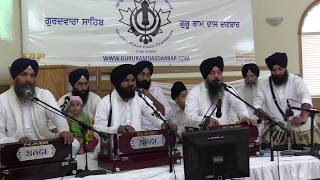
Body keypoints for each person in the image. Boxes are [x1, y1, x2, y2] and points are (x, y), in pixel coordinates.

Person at [0, 58, 79, 154]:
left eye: (32, 75)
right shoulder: (3, 100)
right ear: (15, 77)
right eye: (24, 74)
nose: (28, 79)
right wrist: (14, 142)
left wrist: (64, 131)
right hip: (15, 147)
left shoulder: (43, 94)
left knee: (74, 144)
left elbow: (57, 115)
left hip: (44, 143)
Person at [253, 52, 319, 146]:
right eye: (274, 70)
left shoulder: (296, 81)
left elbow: (305, 97)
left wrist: (303, 116)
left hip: (298, 125)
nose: (277, 73)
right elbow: (256, 105)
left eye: (280, 69)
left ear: (285, 68)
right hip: (275, 128)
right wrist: (266, 118)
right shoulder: (263, 84)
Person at [94, 64, 174, 134]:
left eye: (133, 80)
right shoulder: (105, 102)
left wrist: (163, 124)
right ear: (117, 83)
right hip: (114, 148)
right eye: (127, 80)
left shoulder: (140, 98)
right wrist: (116, 130)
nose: (131, 83)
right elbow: (97, 130)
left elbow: (153, 114)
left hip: (137, 146)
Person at [184, 56, 255, 128]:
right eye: (212, 73)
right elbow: (189, 118)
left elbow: (238, 103)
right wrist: (206, 120)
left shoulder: (227, 89)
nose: (216, 76)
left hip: (226, 134)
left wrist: (244, 116)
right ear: (205, 76)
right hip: (203, 136)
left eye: (219, 72)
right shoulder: (194, 93)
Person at [134, 61, 172, 130]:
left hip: (155, 131)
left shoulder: (157, 90)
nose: (145, 78)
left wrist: (150, 97)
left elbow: (167, 114)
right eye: (142, 74)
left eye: (148, 75)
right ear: (136, 75)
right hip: (136, 132)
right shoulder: (130, 90)